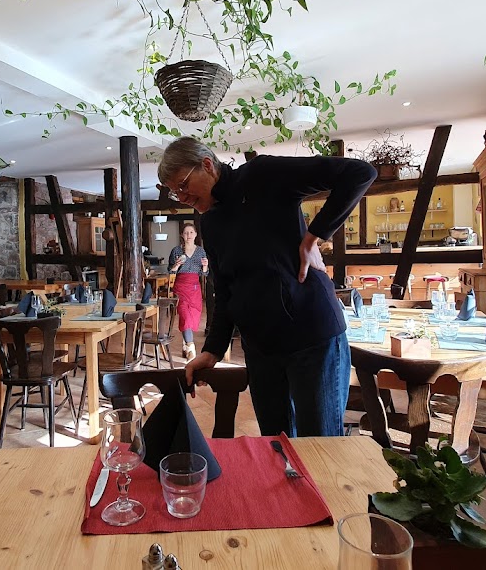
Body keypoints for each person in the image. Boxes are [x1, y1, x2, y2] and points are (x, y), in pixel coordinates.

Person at [158, 137, 376, 437]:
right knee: (277, 448)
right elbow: (225, 290)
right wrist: (213, 350)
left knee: (321, 448)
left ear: (207, 165)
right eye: (174, 191)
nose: (181, 196)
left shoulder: (261, 175)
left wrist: (315, 236)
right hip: (261, 350)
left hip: (311, 339)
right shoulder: (209, 221)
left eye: (183, 184)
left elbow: (359, 173)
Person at [167, 223, 208, 361]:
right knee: (185, 316)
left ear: (195, 234)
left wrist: (205, 266)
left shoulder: (201, 251)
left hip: (195, 288)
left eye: (191, 232)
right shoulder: (176, 251)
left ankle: (185, 345)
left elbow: (205, 274)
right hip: (180, 287)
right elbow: (170, 271)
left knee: (193, 317)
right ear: (182, 235)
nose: (188, 235)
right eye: (185, 233)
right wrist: (176, 265)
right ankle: (191, 349)